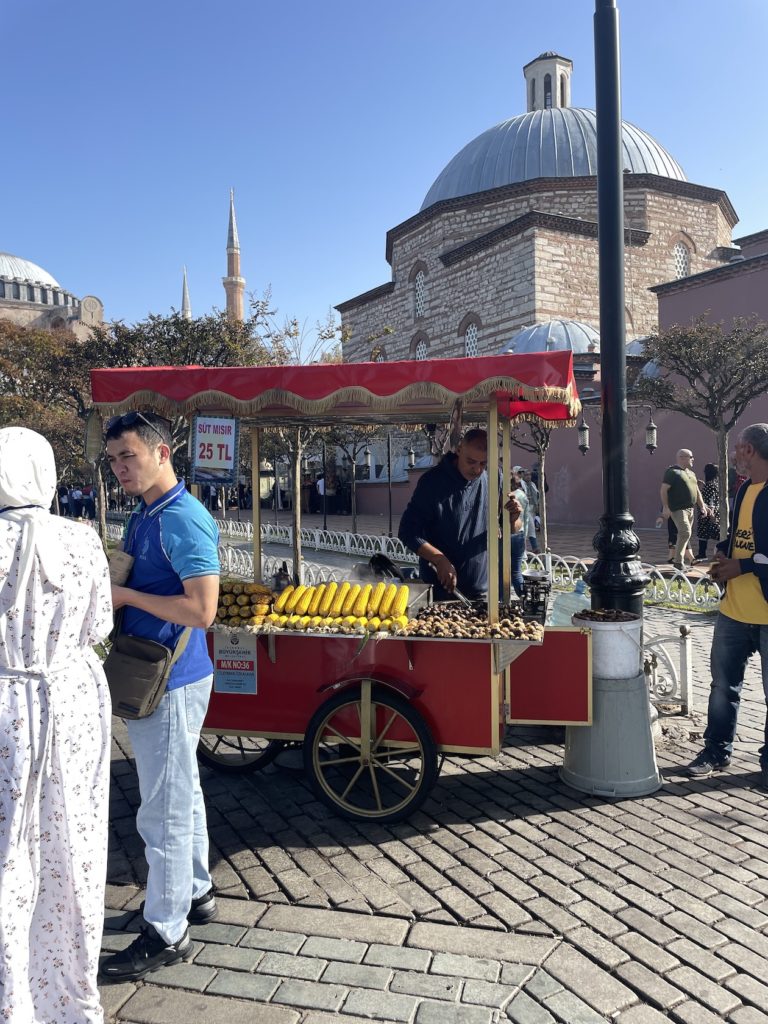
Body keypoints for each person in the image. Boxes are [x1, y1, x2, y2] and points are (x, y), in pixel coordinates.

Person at [99, 411, 220, 981]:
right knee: (182, 791)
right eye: (115, 459)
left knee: (162, 807)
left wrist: (124, 596)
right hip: (160, 672)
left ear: (162, 451)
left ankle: (166, 929)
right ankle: (195, 893)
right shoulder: (149, 512)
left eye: (130, 456)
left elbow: (202, 610)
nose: (121, 468)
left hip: (170, 678)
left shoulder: (182, 518)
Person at [0, 427, 112, 1023]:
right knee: (72, 846)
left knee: (7, 850)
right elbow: (98, 626)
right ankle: (64, 996)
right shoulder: (82, 540)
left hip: (5, 707)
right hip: (68, 704)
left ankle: (11, 997)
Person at [686, 424, 768, 784]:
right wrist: (724, 554)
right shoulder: (743, 490)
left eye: (737, 448)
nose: (733, 455)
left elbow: (757, 554)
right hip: (733, 609)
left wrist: (744, 565)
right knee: (722, 687)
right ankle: (715, 751)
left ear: (748, 449)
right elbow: (742, 537)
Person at [398, 429, 522, 600]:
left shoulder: (495, 476)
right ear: (458, 450)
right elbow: (408, 532)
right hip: (438, 590)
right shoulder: (431, 482)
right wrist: (439, 559)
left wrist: (514, 518)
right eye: (471, 461)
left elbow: (512, 529)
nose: (477, 469)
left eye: (483, 463)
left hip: (481, 591)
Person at [660, 449, 710, 570]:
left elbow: (697, 491)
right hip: (677, 509)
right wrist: (666, 507)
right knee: (685, 532)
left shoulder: (691, 473)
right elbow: (663, 490)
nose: (693, 459)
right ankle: (678, 561)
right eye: (691, 457)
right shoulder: (672, 472)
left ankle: (679, 559)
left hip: (690, 509)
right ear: (682, 458)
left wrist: (702, 506)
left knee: (685, 534)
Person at [509, 467, 528, 597]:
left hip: (507, 533)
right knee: (516, 571)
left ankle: (500, 602)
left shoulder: (506, 496)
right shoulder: (522, 495)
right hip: (519, 533)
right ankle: (524, 598)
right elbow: (526, 516)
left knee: (500, 572)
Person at [695, 463, 721, 562]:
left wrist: (712, 514)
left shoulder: (710, 485)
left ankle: (703, 554)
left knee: (708, 532)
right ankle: (702, 554)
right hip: (709, 511)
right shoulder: (715, 484)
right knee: (704, 533)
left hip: (707, 512)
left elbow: (711, 500)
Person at [521, 469, 540, 554]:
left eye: (529, 475)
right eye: (526, 475)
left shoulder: (532, 484)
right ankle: (534, 547)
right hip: (525, 509)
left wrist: (537, 506)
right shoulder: (522, 484)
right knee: (530, 527)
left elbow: (536, 496)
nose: (528, 476)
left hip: (532, 509)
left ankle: (531, 548)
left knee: (529, 529)